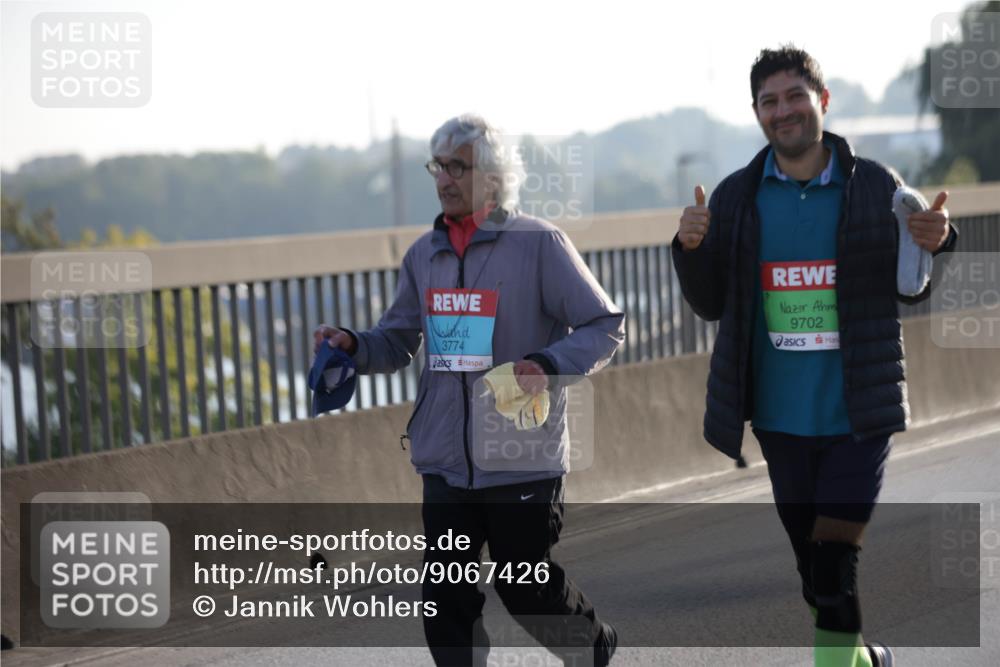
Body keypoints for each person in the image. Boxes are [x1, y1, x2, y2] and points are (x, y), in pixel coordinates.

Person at [672, 46, 956, 667]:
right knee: (815, 574)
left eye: (795, 96)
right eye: (769, 102)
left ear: (822, 102)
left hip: (861, 412)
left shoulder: (876, 185)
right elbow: (711, 303)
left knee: (833, 563)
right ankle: (861, 659)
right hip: (779, 419)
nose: (784, 111)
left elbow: (915, 276)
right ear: (757, 114)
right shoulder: (737, 196)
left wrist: (942, 239)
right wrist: (690, 248)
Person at [313, 114, 623, 666]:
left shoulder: (539, 243)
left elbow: (604, 326)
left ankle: (593, 648)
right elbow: (400, 340)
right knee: (445, 599)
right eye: (439, 165)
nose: (445, 178)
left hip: (520, 456)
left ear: (496, 177)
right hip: (446, 462)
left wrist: (547, 364)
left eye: (460, 166)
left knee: (526, 589)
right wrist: (355, 345)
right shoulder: (423, 255)